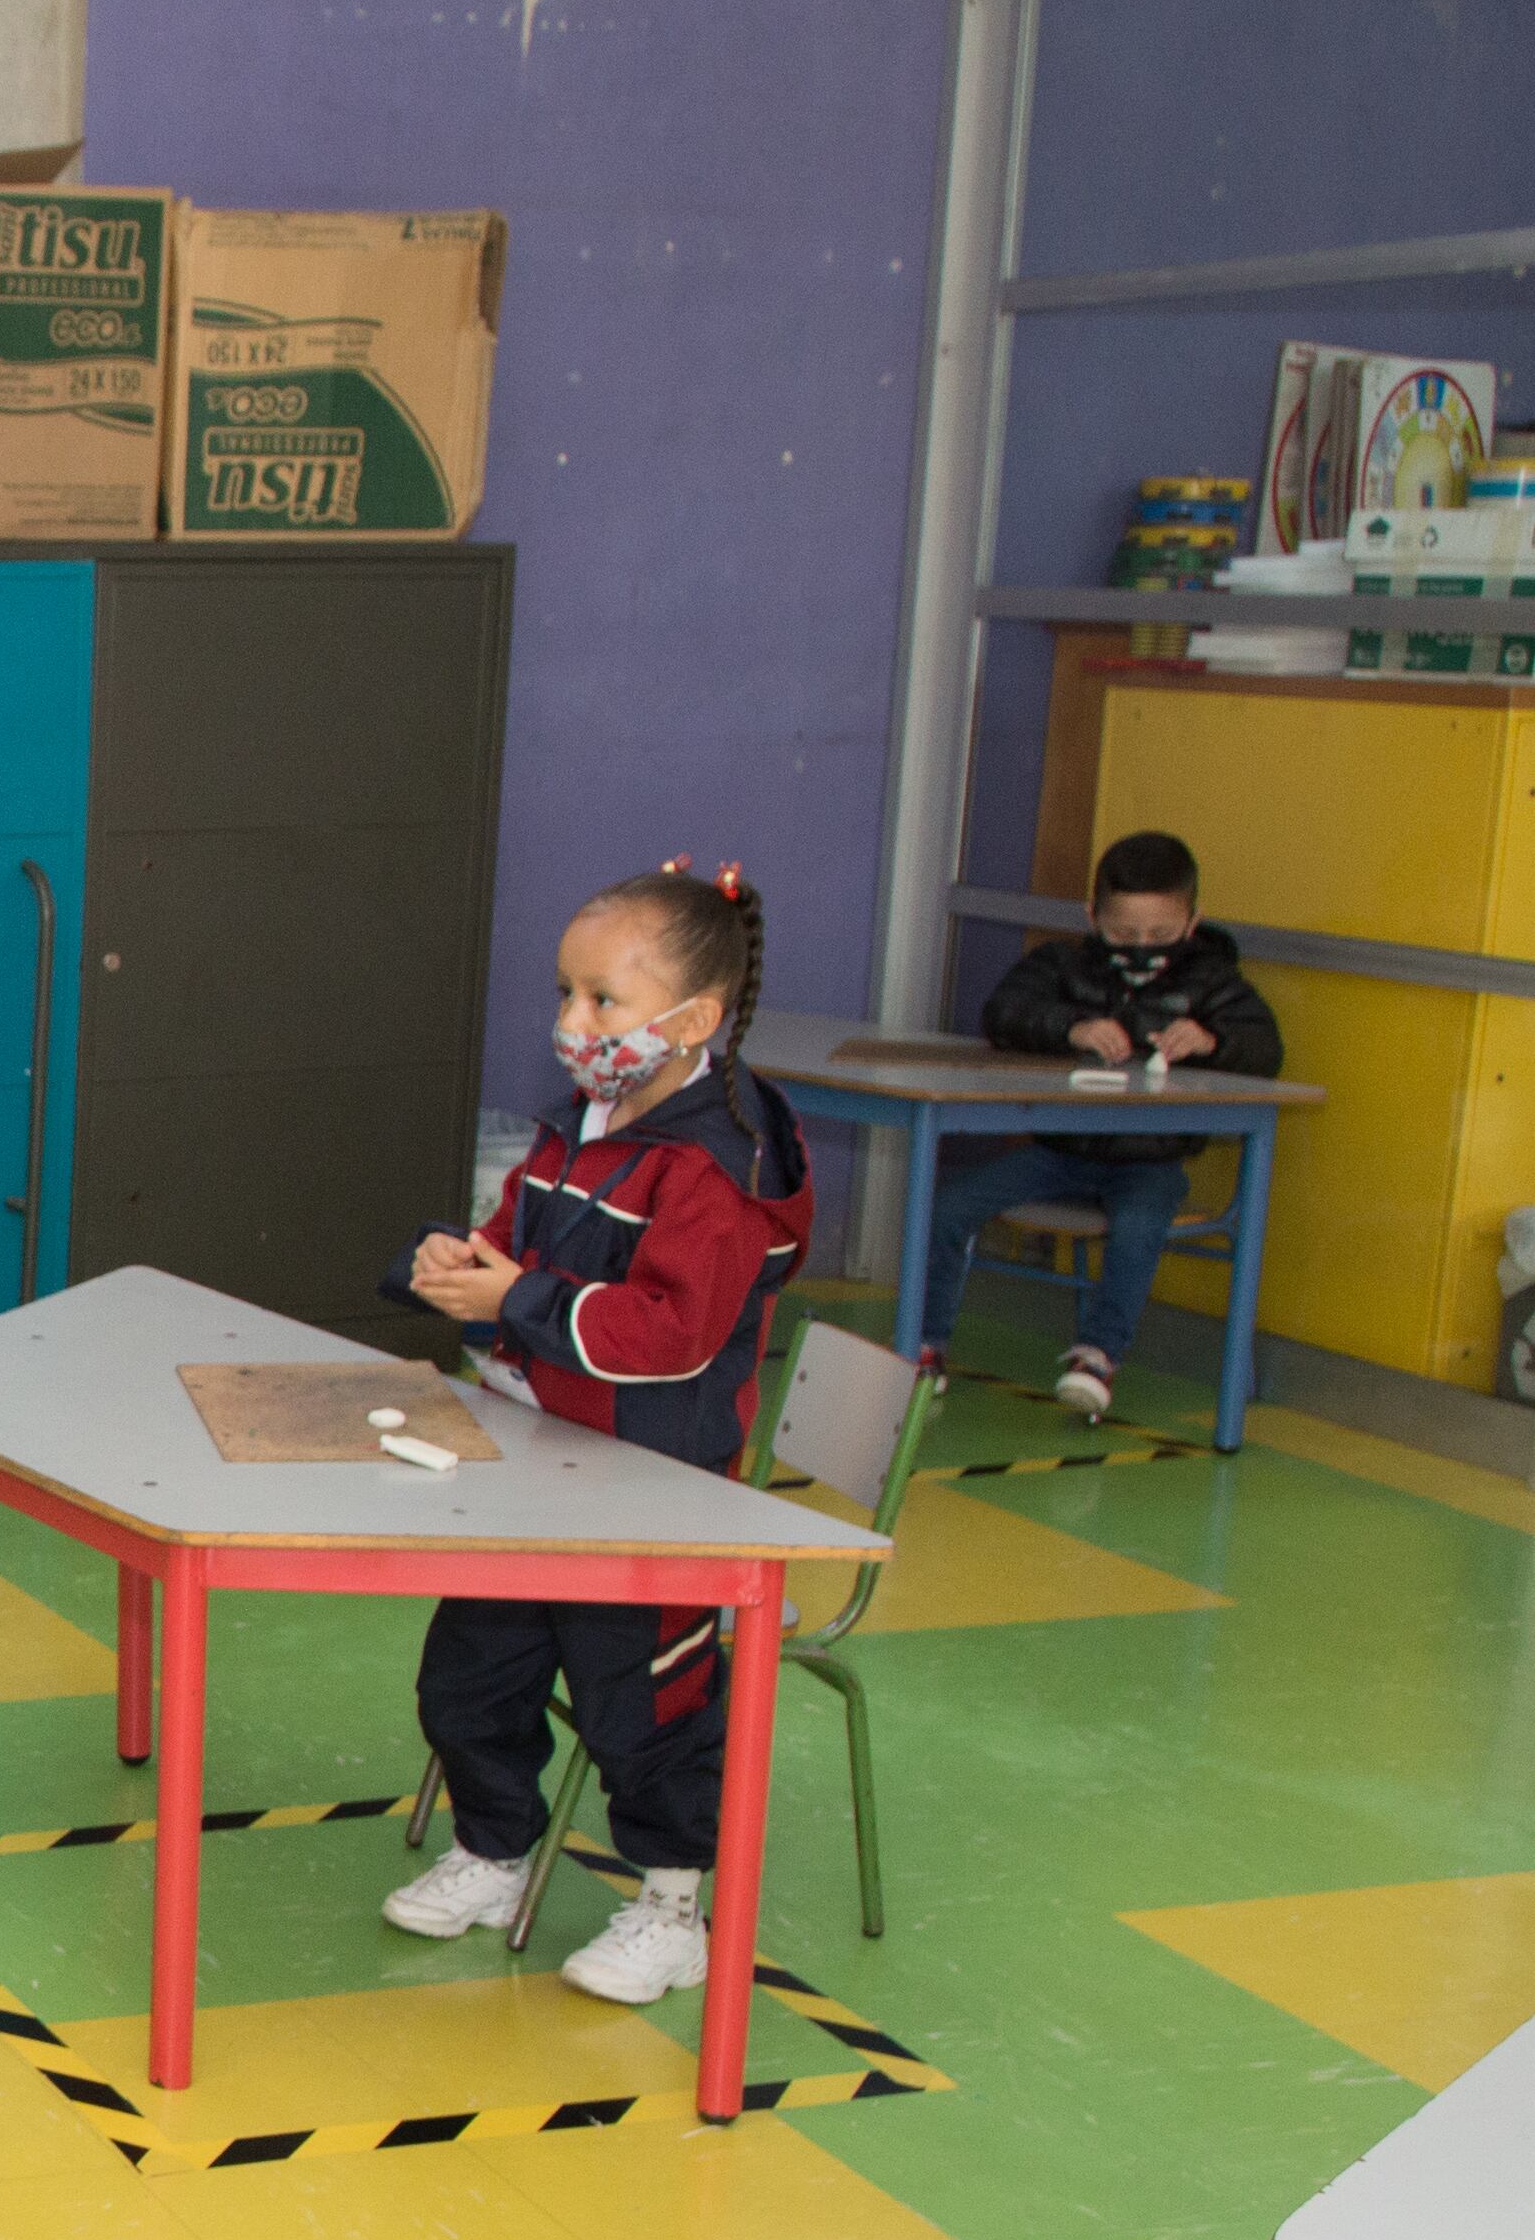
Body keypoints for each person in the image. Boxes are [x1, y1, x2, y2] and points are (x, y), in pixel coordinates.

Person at [384, 861, 814, 2006]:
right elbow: (510, 1231)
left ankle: (672, 1909)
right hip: (536, 1463)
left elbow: (671, 1334)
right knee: (471, 1680)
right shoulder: (584, 1122)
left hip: (654, 1482)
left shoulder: (716, 1166)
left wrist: (515, 1301)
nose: (573, 1024)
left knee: (648, 1706)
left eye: (602, 1002)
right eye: (567, 994)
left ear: (694, 1022)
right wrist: (452, 1263)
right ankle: (493, 1849)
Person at [915, 829, 1281, 1419]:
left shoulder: (1213, 982)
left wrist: (1214, 1040)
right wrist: (1070, 1028)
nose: (1141, 948)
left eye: (1160, 935)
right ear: (1092, 917)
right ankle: (924, 1346)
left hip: (1152, 1159)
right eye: (1121, 934)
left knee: (1139, 1225)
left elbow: (1266, 1049)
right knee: (953, 1204)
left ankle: (1098, 1356)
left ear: (1193, 922)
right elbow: (1004, 1013)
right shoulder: (1061, 965)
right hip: (1061, 1150)